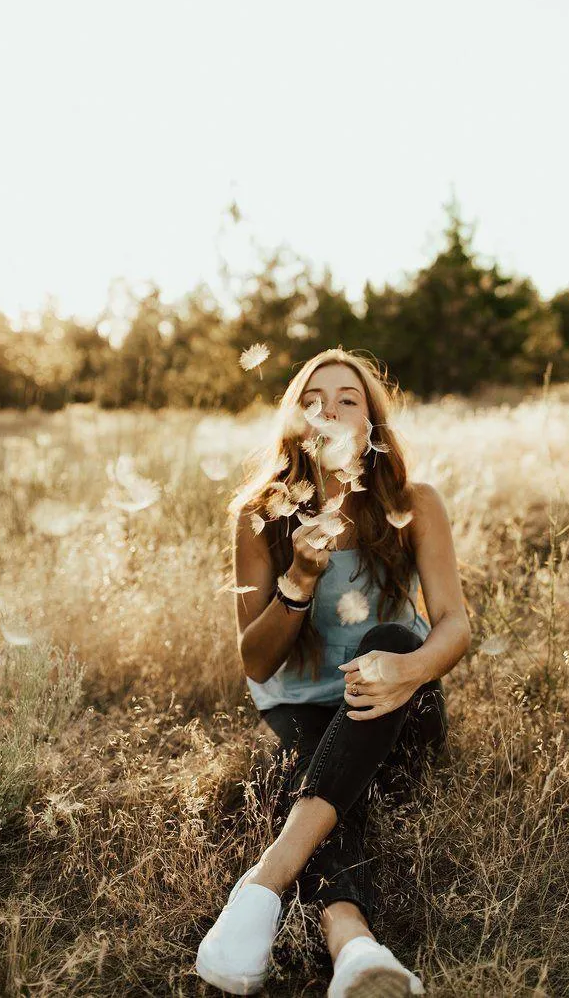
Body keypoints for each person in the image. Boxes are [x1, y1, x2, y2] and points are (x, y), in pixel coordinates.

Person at [196, 348, 471, 997]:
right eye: (313, 398)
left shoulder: (415, 503)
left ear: (372, 423)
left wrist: (410, 668)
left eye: (348, 398)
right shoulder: (259, 512)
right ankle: (356, 949)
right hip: (299, 701)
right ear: (296, 421)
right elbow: (257, 660)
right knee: (319, 766)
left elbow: (455, 623)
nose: (329, 409)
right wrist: (298, 578)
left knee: (390, 635)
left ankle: (265, 880)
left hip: (398, 694)